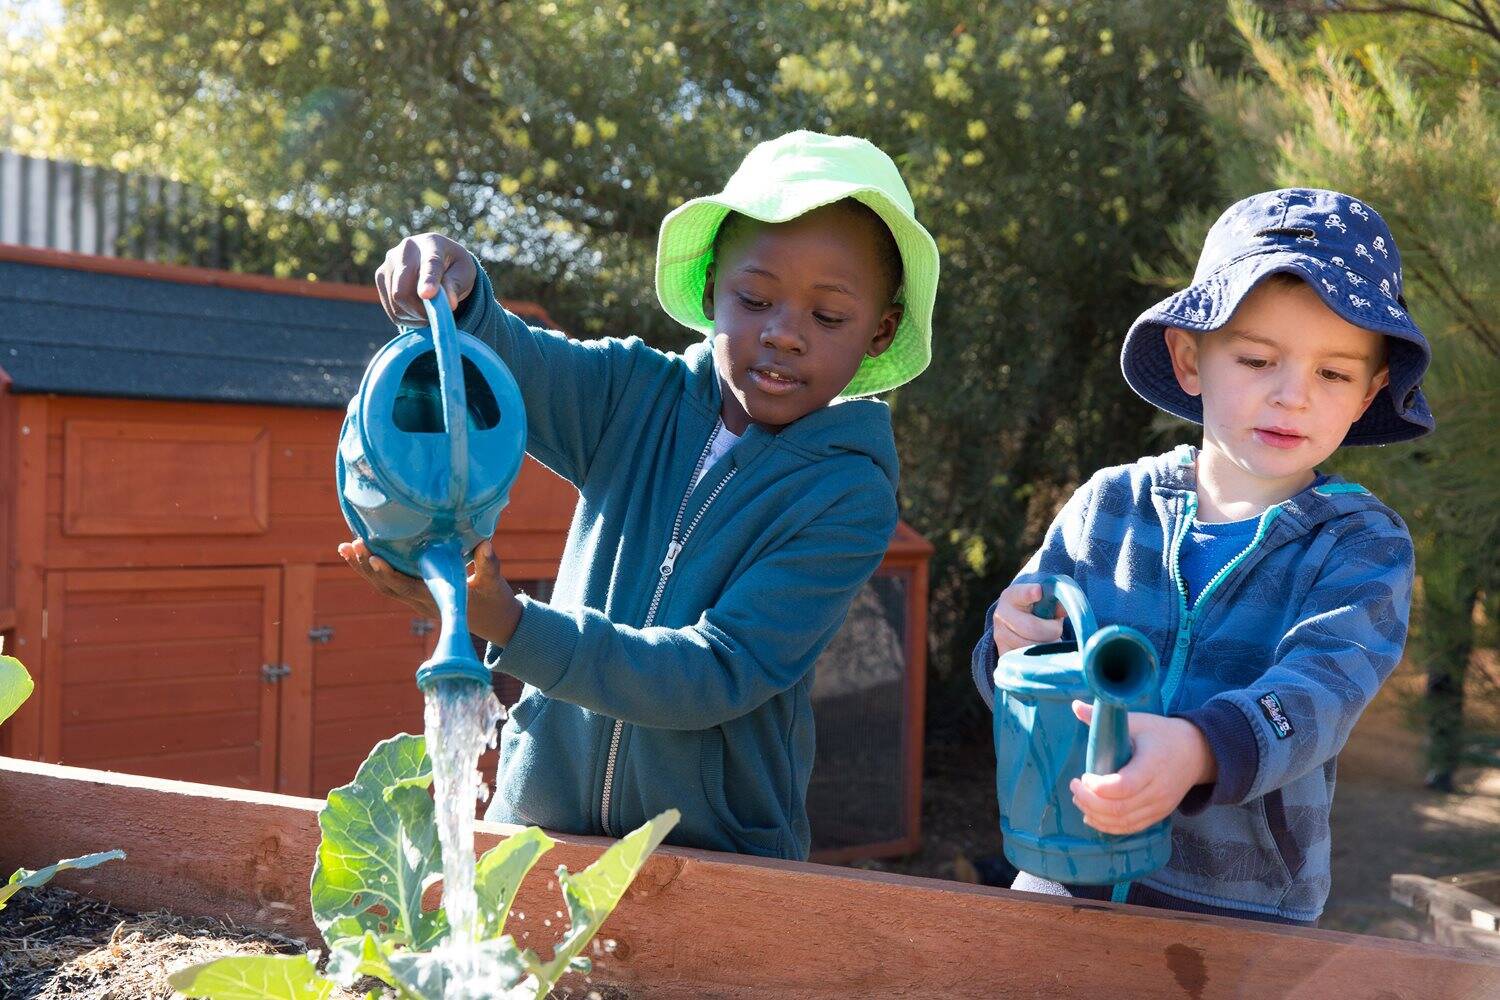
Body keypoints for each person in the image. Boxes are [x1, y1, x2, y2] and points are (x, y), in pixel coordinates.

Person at [340, 130, 940, 861]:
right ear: (714, 287)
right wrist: (457, 295)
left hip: (715, 864)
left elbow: (717, 672)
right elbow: (514, 361)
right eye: (754, 298)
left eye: (828, 317)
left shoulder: (846, 495)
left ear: (879, 332)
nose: (783, 334)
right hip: (537, 830)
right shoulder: (634, 395)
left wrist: (515, 625)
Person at [973, 188, 1433, 925]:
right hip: (1062, 875)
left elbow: (1319, 694)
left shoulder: (1360, 544)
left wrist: (1198, 748)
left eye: (1334, 374)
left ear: (1371, 391)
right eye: (1257, 359)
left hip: (1241, 915)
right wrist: (1009, 642)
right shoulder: (1108, 505)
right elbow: (1025, 674)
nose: (1293, 396)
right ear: (1191, 359)